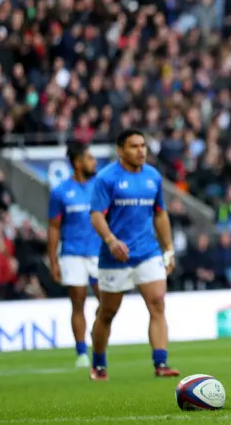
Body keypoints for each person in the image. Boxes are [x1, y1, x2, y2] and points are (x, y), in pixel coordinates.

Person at [89, 129, 179, 381]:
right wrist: (110, 240)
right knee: (107, 312)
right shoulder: (106, 178)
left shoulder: (153, 177)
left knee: (158, 304)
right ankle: (98, 364)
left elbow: (160, 213)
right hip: (115, 258)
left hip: (147, 253)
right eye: (134, 146)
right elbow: (96, 215)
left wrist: (168, 248)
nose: (141, 151)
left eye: (143, 146)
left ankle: (161, 363)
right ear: (120, 150)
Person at [47, 142, 101, 368]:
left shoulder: (100, 188)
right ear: (78, 163)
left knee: (107, 301)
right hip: (72, 253)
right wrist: (53, 261)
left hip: (100, 253)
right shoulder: (60, 192)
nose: (94, 162)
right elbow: (53, 227)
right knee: (77, 301)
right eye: (89, 158)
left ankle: (98, 336)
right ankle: (81, 352)